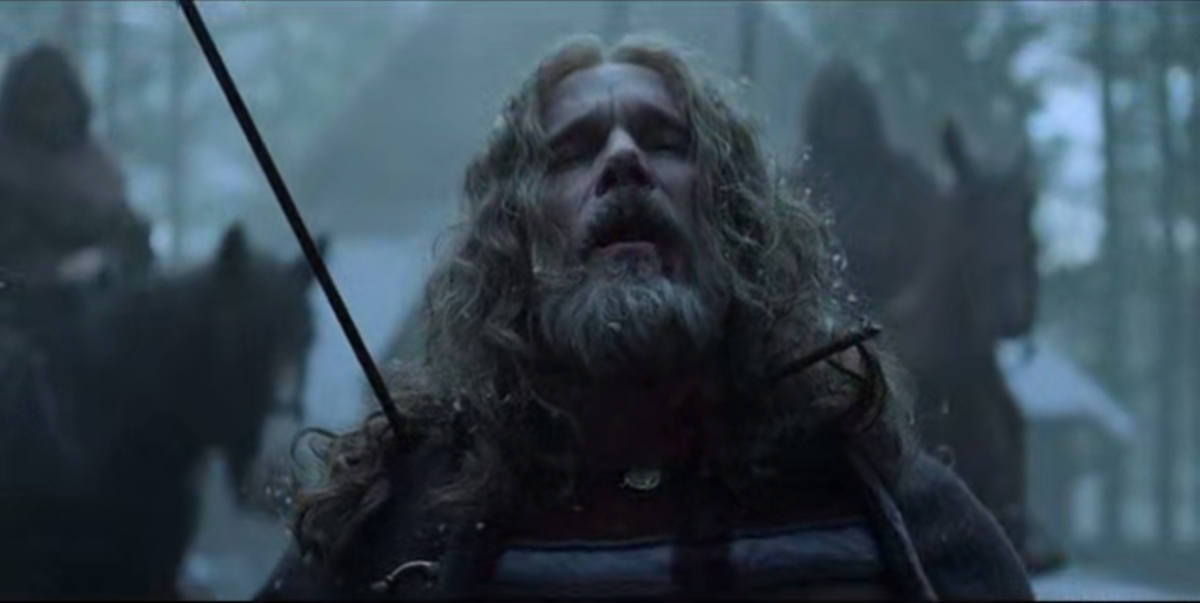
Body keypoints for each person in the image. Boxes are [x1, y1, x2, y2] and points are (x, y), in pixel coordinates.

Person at [256, 34, 1033, 599]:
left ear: (732, 220)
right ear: (515, 238)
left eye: (666, 141)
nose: (624, 158)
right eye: (572, 152)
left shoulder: (891, 511)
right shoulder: (400, 525)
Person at [0, 42, 153, 288]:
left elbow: (135, 250)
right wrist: (62, 271)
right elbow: (12, 266)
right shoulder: (8, 178)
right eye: (40, 98)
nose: (51, 112)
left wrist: (119, 258)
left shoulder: (99, 172)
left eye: (57, 97)